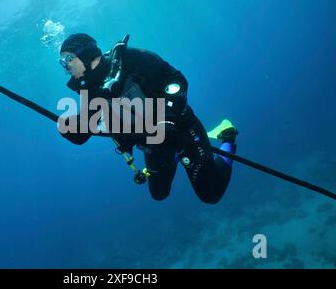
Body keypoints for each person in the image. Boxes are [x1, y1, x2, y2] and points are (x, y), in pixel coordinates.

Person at [58, 33, 238, 204]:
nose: (65, 66)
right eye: (62, 62)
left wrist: (167, 120)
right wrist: (69, 129)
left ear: (86, 55)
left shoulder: (132, 58)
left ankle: (226, 135)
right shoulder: (92, 91)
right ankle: (173, 157)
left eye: (69, 59)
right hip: (152, 144)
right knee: (159, 193)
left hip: (181, 132)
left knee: (211, 194)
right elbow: (84, 132)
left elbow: (176, 81)